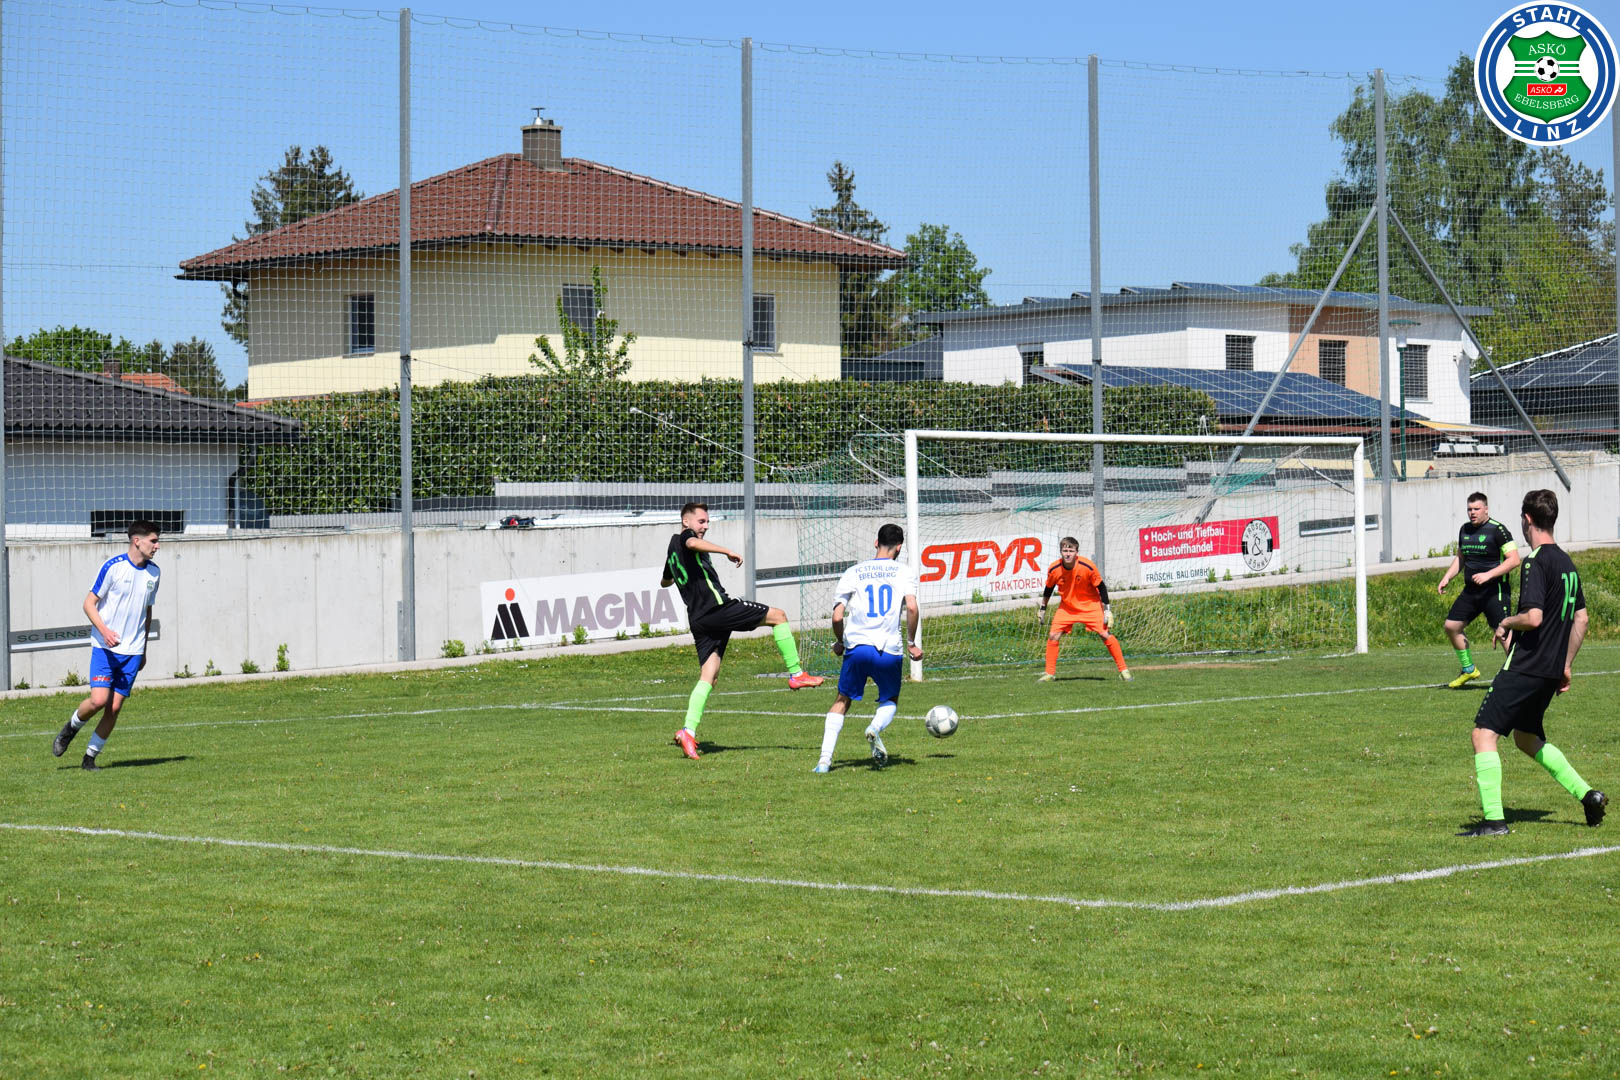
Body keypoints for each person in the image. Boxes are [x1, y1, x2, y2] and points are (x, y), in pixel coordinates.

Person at [1460, 489, 1606, 837]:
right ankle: (1588, 795)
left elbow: (1534, 617)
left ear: (1527, 520)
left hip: (1526, 665)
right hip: (1550, 670)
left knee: (1483, 735)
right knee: (1526, 738)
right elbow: (1582, 619)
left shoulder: (1535, 561)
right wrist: (1566, 665)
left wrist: (1506, 622)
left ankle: (1494, 822)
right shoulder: (1567, 564)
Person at [661, 501, 823, 760]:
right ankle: (796, 673)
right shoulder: (686, 539)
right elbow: (691, 543)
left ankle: (687, 731)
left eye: (707, 521)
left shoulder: (672, 548)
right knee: (779, 616)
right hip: (717, 609)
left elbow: (665, 581)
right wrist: (726, 551)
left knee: (709, 676)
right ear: (686, 521)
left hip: (698, 619)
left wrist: (683, 576)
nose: (706, 526)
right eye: (701, 521)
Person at [52, 519, 162, 771]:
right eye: (153, 541)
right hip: (105, 647)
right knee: (99, 700)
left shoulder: (154, 572)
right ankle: (70, 728)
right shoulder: (113, 567)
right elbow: (88, 604)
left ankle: (89, 758)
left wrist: (143, 649)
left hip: (133, 651)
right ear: (137, 541)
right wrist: (105, 631)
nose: (157, 546)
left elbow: (147, 612)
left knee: (114, 707)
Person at [814, 523, 922, 774]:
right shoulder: (904, 572)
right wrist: (911, 643)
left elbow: (837, 616)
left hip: (858, 647)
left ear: (876, 543)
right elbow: (912, 607)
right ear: (899, 548)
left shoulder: (853, 572)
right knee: (890, 699)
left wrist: (840, 642)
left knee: (842, 700)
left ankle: (824, 761)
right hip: (889, 649)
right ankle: (874, 727)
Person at [1437, 492, 1520, 688]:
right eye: (1469, 509)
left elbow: (1514, 560)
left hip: (1495, 591)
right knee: (1451, 626)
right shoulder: (1464, 529)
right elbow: (1461, 557)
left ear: (1486, 509)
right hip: (1471, 592)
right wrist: (1447, 577)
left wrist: (1488, 575)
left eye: (1476, 509)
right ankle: (1469, 669)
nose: (1472, 513)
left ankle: (1520, 676)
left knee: (1503, 634)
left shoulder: (1498, 530)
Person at [1037, 537, 1129, 681]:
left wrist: (1107, 610)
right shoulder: (1054, 569)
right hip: (1067, 607)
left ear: (1077, 552)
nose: (1067, 554)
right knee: (1053, 635)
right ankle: (1049, 674)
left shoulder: (1087, 566)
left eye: (1071, 551)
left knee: (1105, 634)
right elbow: (1048, 589)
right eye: (1065, 551)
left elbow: (1101, 587)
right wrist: (1043, 608)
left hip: (1090, 605)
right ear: (1060, 552)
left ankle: (1124, 670)